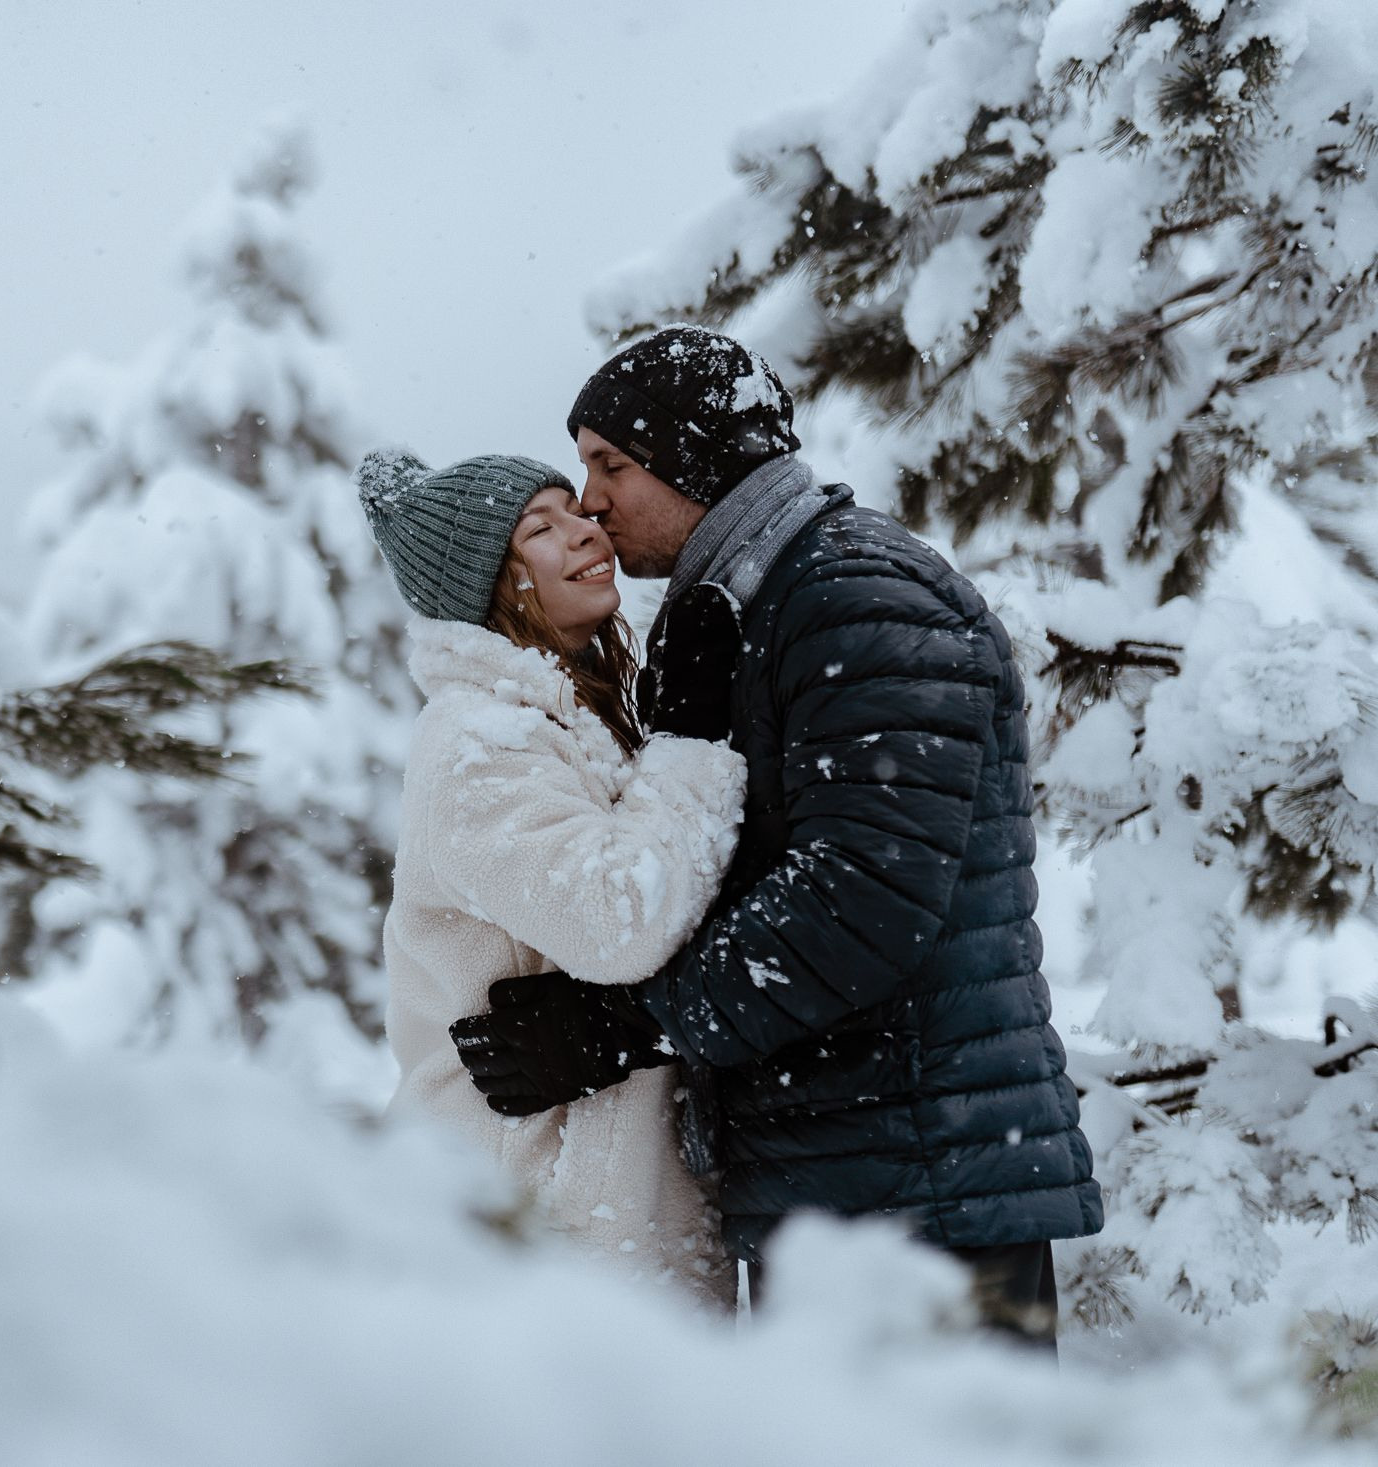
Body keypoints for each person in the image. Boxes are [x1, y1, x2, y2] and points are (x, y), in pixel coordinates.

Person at [449, 325, 1104, 1350]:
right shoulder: (756, 608)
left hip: (920, 1188)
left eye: (610, 464)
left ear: (696, 456)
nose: (591, 502)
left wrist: (632, 1027)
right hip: (849, 1179)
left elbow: (859, 901)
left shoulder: (856, 597)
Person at [356, 446, 750, 1307]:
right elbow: (620, 918)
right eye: (542, 528)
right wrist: (692, 738)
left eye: (577, 509)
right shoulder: (479, 744)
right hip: (530, 1211)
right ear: (489, 583)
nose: (587, 531)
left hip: (598, 1200)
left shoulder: (573, 715)